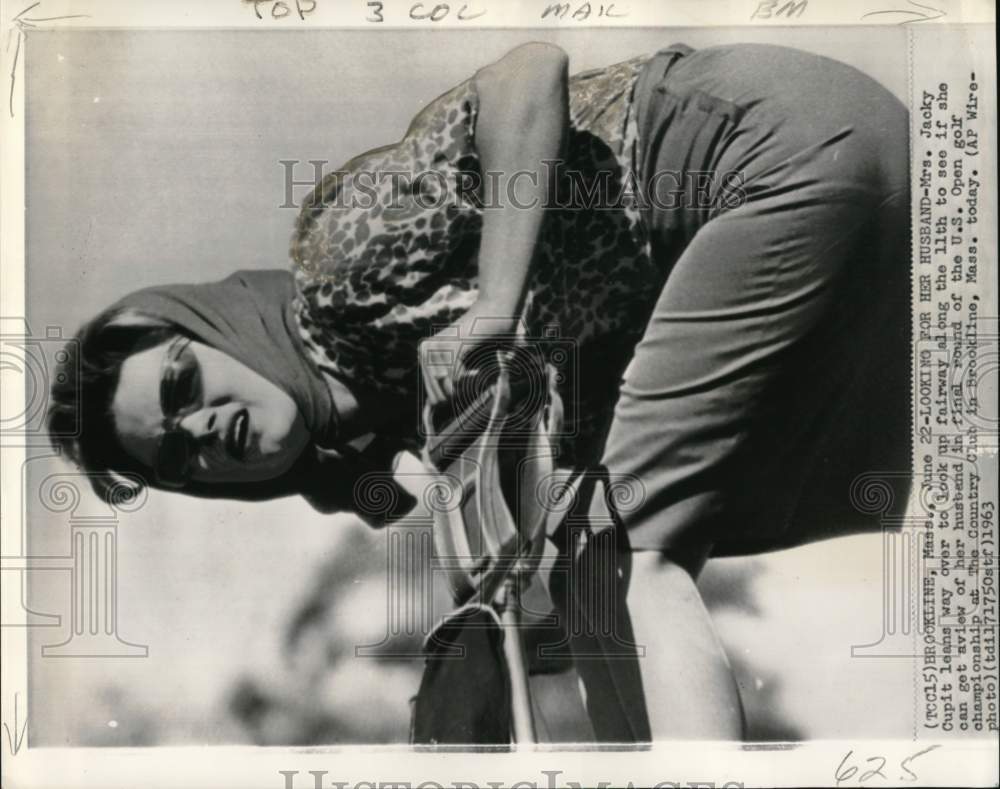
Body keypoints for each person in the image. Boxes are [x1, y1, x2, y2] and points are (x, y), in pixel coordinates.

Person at [48, 40, 911, 742]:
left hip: (765, 152)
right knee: (596, 564)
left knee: (624, 551)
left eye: (182, 381)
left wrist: (495, 305)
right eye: (181, 452)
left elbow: (529, 72)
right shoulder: (412, 421)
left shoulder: (337, 273)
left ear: (218, 326)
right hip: (840, 179)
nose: (206, 425)